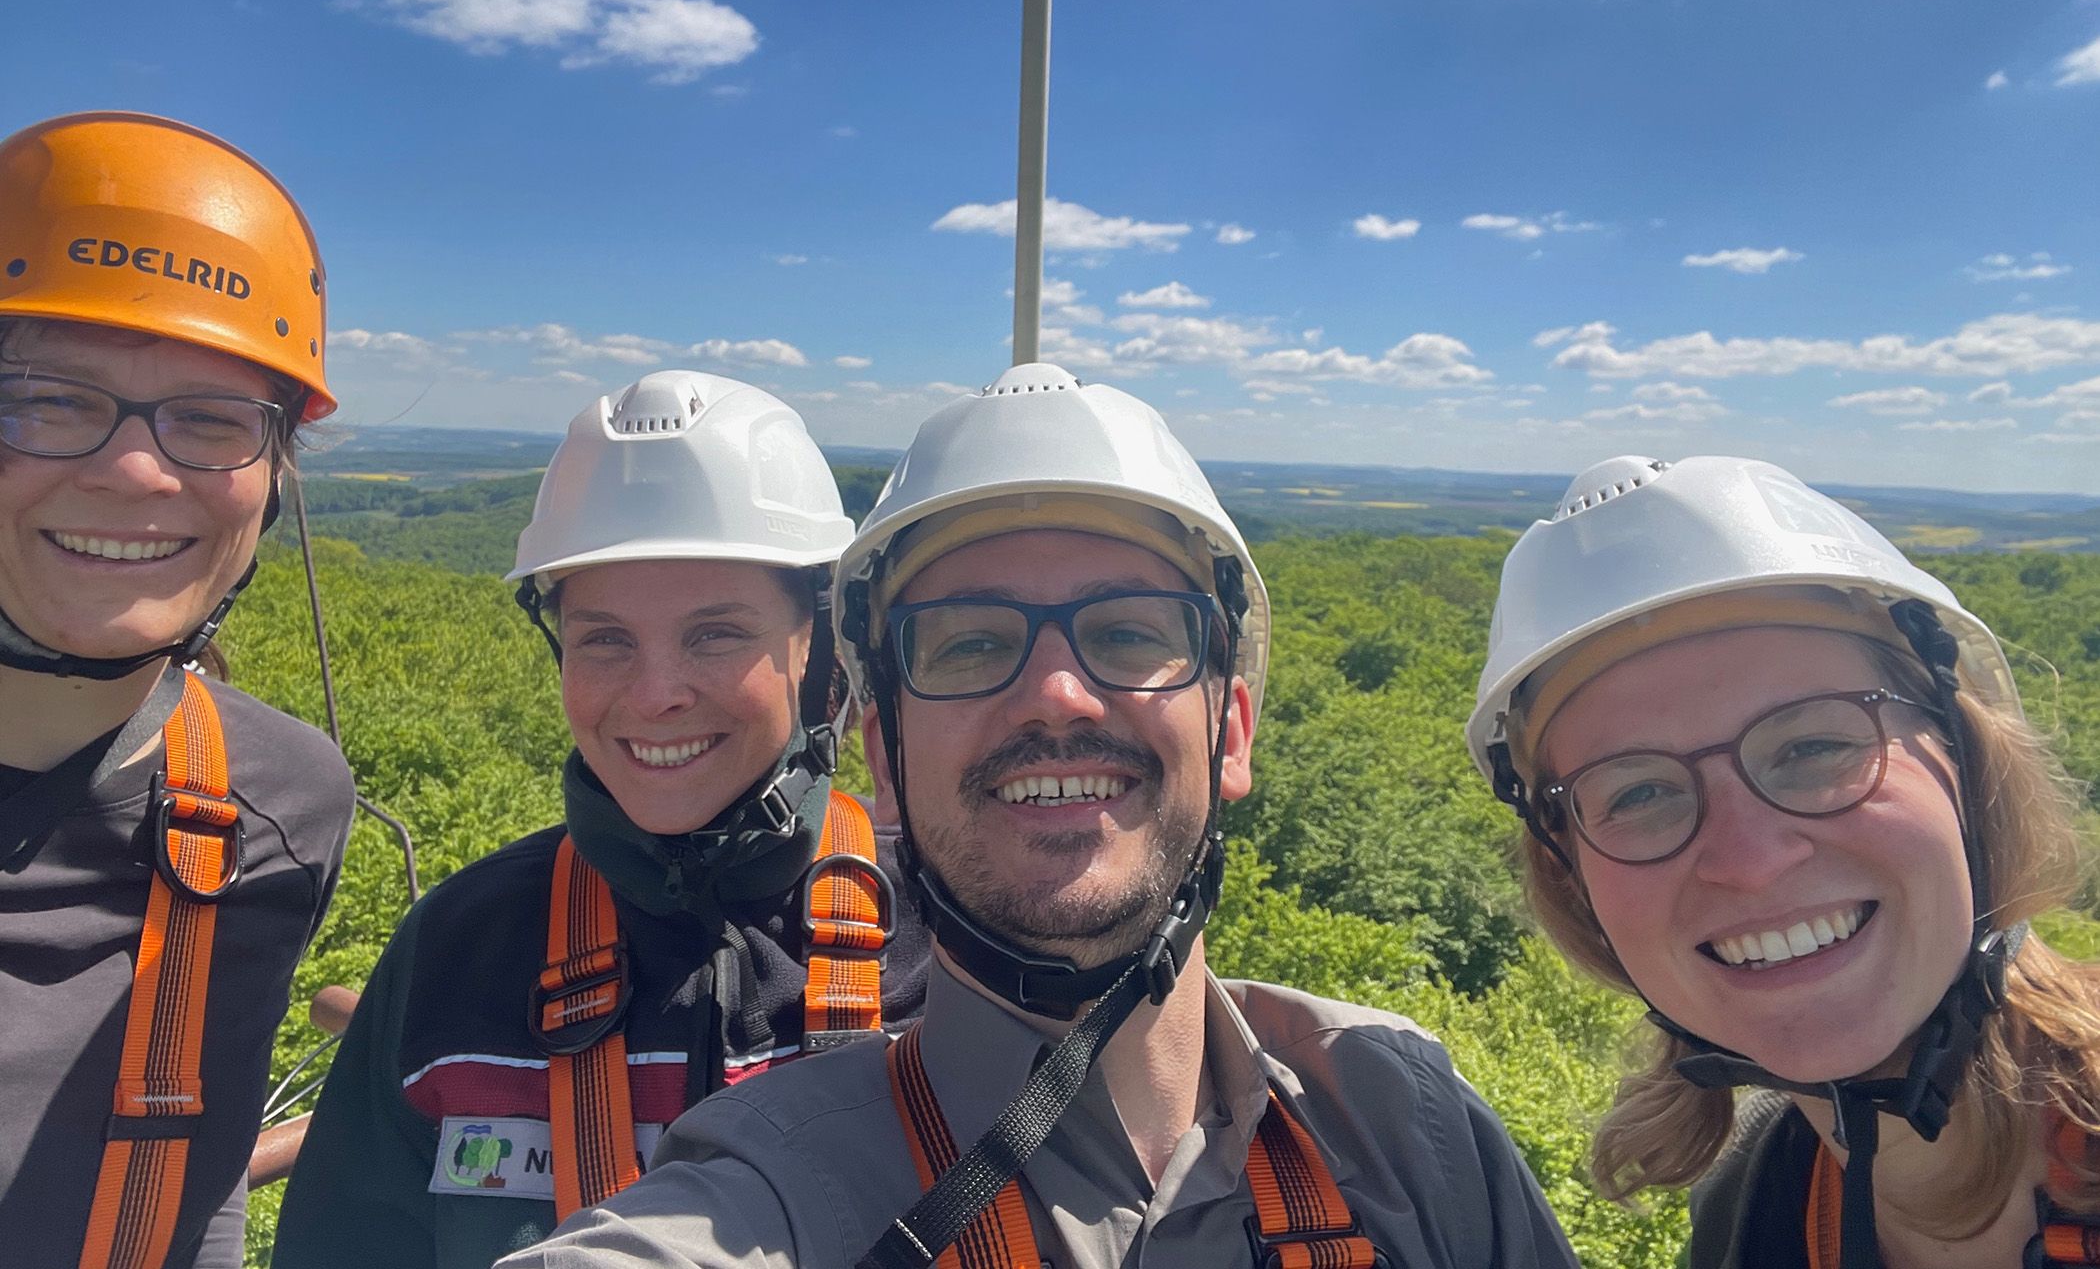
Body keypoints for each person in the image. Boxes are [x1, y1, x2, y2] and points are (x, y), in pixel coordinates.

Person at [501, 362, 1578, 1269]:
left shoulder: (1402, 1123)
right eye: (968, 642)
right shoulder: (776, 1186)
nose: (1057, 692)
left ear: (1232, 731)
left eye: (1125, 632)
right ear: (883, 756)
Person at [274, 370, 930, 1268]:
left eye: (716, 633)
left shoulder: (940, 948)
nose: (657, 695)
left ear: (816, 645)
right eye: (605, 638)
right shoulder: (458, 954)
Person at [1467, 454, 2100, 1269]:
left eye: (1813, 745)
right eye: (1639, 794)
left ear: (1969, 766)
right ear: (1575, 880)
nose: (1749, 860)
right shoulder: (1754, 1202)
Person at [0, 111, 355, 1268]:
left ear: (270, 478)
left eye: (210, 418)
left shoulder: (280, 802)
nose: (137, 466)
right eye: (51, 394)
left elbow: (186, 1175)